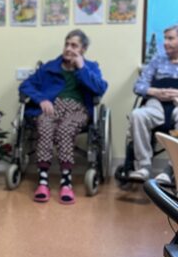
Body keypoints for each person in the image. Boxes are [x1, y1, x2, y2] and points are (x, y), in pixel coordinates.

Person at [19, 29, 108, 204]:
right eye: (67, 44)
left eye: (74, 45)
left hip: (78, 109)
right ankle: (43, 181)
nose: (68, 48)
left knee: (65, 130)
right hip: (53, 107)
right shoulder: (50, 67)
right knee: (44, 126)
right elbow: (26, 85)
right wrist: (41, 99)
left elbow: (100, 88)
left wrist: (82, 68)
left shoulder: (90, 67)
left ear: (83, 49)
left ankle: (66, 182)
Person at [127, 24, 178, 181]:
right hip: (156, 106)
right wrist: (156, 92)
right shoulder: (157, 60)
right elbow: (139, 86)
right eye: (165, 38)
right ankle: (144, 166)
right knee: (137, 115)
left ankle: (170, 170)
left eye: (170, 38)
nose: (165, 42)